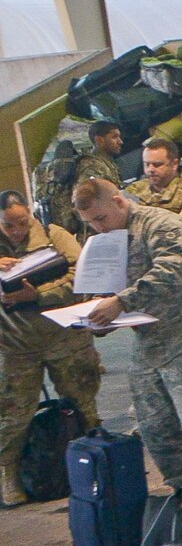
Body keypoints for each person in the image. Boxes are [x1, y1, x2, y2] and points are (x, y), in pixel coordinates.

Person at [71, 179, 182, 498]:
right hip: (150, 343)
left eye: (101, 218)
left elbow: (172, 272)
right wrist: (103, 317)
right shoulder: (111, 239)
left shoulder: (163, 224)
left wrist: (121, 302)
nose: (97, 228)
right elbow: (111, 291)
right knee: (155, 430)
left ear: (119, 201)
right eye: (90, 223)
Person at [0, 190, 101, 506]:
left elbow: (80, 276)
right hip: (15, 346)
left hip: (64, 339)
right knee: (12, 417)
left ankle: (96, 465)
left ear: (29, 212)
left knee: (84, 405)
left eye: (21, 222)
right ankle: (9, 474)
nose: (17, 231)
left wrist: (39, 295)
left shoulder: (54, 234)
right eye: (8, 225)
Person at [124, 137, 182, 213]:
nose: (150, 169)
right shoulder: (134, 189)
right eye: (147, 164)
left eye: (157, 165)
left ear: (174, 164)